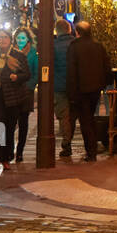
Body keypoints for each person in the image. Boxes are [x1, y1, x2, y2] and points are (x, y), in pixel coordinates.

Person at [0, 29, 31, 170]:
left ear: (11, 39)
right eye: (0, 37)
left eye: (5, 37)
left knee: (10, 128)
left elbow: (27, 74)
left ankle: (7, 158)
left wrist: (17, 77)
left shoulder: (18, 56)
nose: (2, 40)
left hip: (13, 96)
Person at [66, 21, 111, 162]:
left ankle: (91, 151)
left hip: (81, 90)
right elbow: (107, 66)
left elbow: (71, 72)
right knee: (90, 117)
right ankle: (92, 148)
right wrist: (104, 84)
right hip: (95, 89)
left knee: (85, 120)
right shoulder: (98, 46)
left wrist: (71, 93)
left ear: (77, 32)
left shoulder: (74, 47)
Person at [11, 28, 38, 164]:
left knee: (23, 123)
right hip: (12, 91)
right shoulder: (10, 52)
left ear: (28, 39)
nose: (20, 41)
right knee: (10, 122)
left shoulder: (33, 53)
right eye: (18, 38)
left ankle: (20, 152)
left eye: (23, 38)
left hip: (26, 92)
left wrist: (29, 86)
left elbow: (36, 73)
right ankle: (9, 150)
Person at [50, 18, 75, 158]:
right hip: (76, 86)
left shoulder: (53, 46)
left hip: (59, 87)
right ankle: (90, 146)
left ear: (56, 31)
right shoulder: (75, 44)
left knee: (64, 117)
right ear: (69, 30)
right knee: (77, 115)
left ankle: (66, 144)